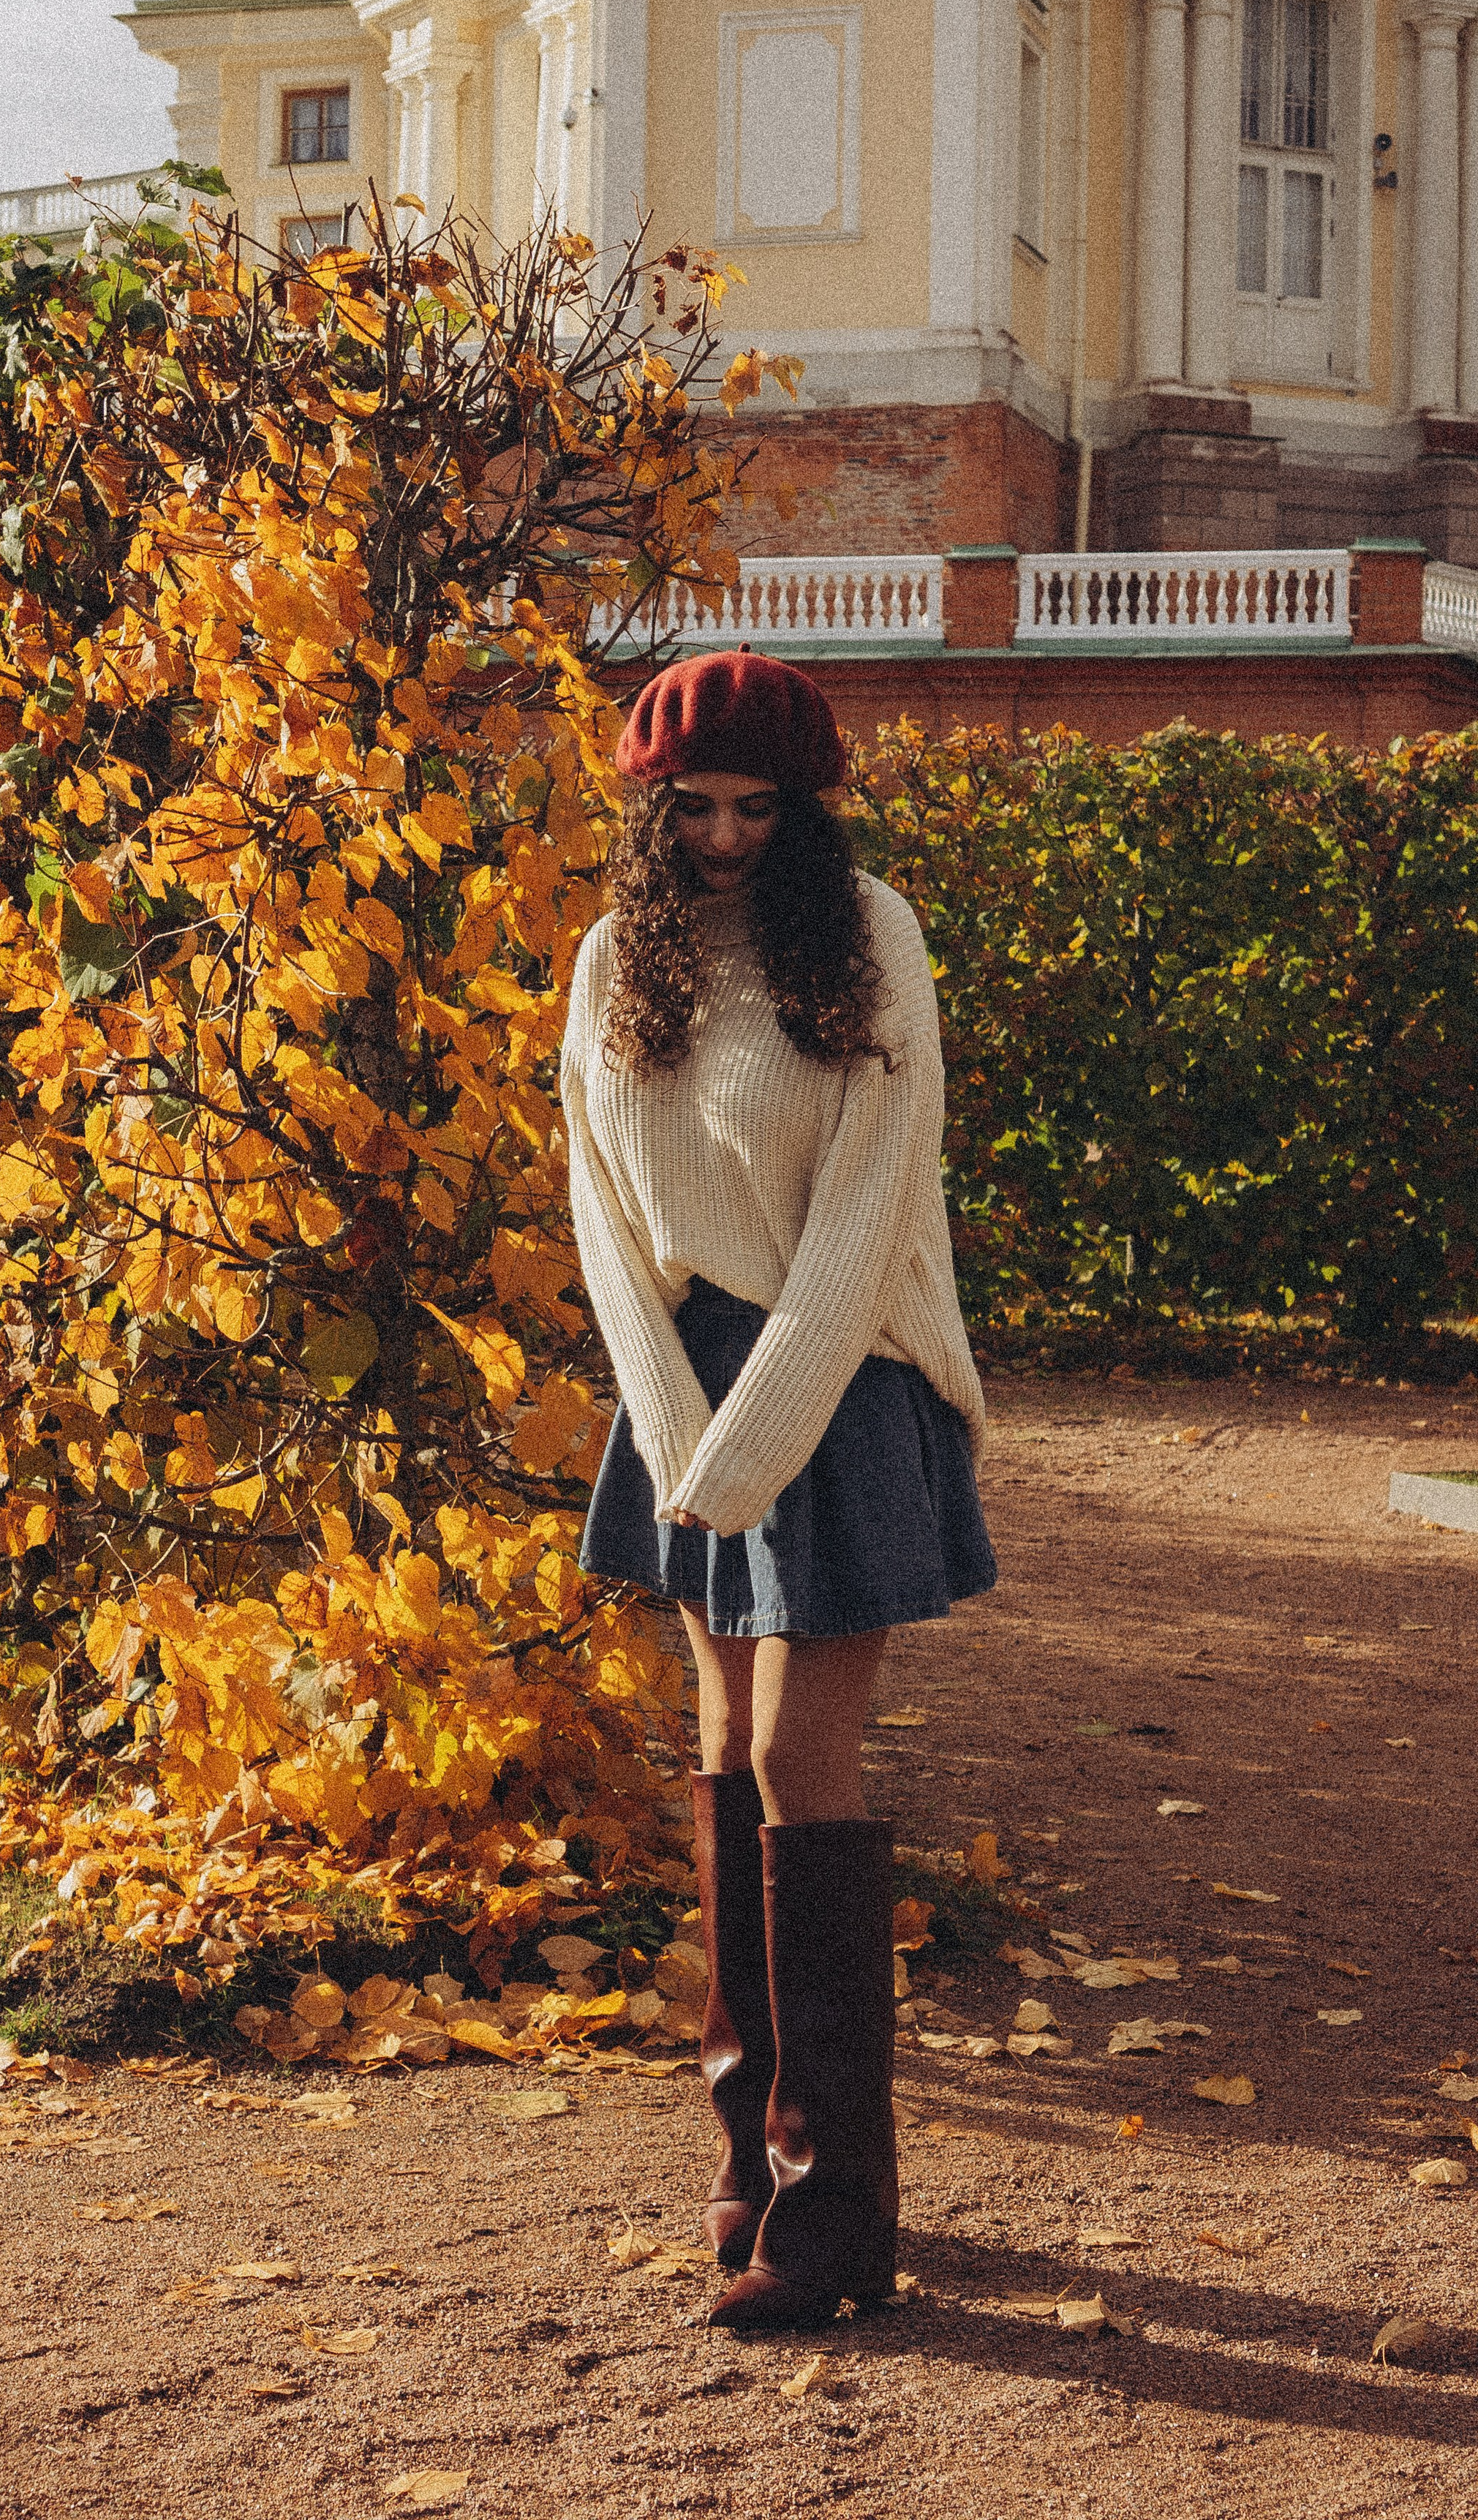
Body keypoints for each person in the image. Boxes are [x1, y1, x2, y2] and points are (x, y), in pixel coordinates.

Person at [560, 648, 995, 2332]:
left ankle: (833, 2217)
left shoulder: (871, 935)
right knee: (714, 1757)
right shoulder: (611, 962)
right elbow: (601, 1216)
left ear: (802, 811)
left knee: (794, 1759)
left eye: (759, 807)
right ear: (648, 808)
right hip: (683, 1396)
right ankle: (745, 2163)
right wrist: (677, 1436)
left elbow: (874, 1208)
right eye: (696, 807)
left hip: (847, 1375)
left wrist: (749, 1444)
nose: (729, 836)